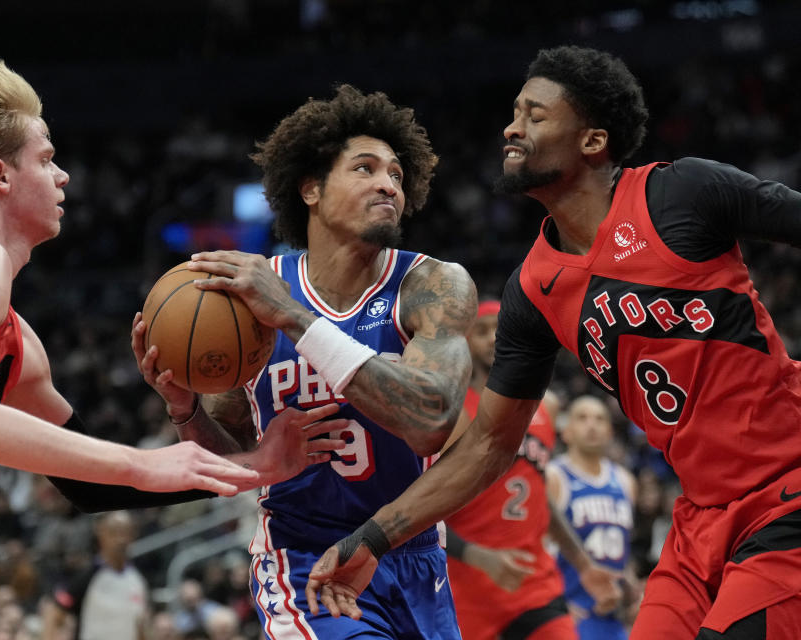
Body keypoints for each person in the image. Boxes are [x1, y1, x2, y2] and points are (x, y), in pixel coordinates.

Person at [0, 55, 346, 640]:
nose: (64, 178)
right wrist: (142, 459)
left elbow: (90, 488)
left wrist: (252, 467)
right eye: (47, 159)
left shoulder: (20, 347)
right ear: (1, 176)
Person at [305, 45, 801, 640]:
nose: (511, 127)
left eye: (535, 115)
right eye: (514, 112)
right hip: (700, 519)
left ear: (592, 142)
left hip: (787, 493)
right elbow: (489, 444)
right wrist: (375, 536)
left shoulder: (683, 193)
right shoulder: (533, 289)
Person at [133, 84, 477, 638]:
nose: (388, 183)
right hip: (303, 560)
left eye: (395, 172)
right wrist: (184, 409)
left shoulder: (431, 284)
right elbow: (235, 463)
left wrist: (296, 318)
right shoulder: (249, 299)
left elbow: (430, 420)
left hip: (411, 555)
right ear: (311, 189)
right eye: (364, 168)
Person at [443, 302, 620, 640]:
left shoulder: (544, 407)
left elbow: (538, 493)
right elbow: (424, 508)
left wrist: (582, 564)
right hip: (466, 587)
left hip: (534, 583)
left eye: (501, 327)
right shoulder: (451, 414)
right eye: (482, 331)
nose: (494, 337)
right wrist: (477, 556)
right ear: (464, 342)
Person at [546, 395, 638, 640]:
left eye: (599, 419)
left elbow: (620, 551)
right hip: (571, 612)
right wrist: (552, 604)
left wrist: (631, 588)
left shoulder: (626, 481)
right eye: (582, 418)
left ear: (609, 432)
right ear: (566, 431)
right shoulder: (554, 476)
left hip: (612, 616)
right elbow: (536, 546)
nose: (592, 425)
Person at [43, 511, 149, 640]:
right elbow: (54, 613)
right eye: (114, 532)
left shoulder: (137, 580)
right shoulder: (87, 575)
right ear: (101, 533)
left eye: (126, 532)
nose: (121, 539)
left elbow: (141, 628)